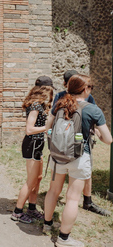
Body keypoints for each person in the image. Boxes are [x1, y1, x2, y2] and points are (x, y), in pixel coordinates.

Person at [43, 74, 112, 247]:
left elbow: (47, 128)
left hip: (58, 155)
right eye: (91, 88)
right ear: (85, 89)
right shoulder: (93, 109)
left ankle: (47, 224)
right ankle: (63, 238)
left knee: (53, 191)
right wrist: (95, 133)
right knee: (73, 198)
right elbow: (108, 139)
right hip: (79, 157)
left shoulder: (60, 104)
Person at [52, 70, 108, 217]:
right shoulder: (88, 103)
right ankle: (65, 234)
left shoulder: (59, 99)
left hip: (60, 146)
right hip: (79, 147)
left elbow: (52, 121)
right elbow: (94, 119)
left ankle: (48, 221)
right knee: (73, 195)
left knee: (55, 189)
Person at [10, 76, 53, 224]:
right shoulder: (35, 106)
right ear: (45, 90)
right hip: (32, 144)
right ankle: (17, 212)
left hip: (38, 144)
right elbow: (29, 129)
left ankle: (32, 208)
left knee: (38, 178)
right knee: (31, 181)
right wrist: (47, 128)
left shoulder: (39, 104)